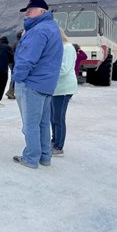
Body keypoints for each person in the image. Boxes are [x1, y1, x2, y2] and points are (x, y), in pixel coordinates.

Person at [12, 0, 63, 169]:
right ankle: (45, 156)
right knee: (42, 122)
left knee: (30, 124)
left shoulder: (38, 31)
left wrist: (17, 78)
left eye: (30, 10)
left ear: (41, 11)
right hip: (47, 84)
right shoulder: (52, 28)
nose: (27, 14)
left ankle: (31, 157)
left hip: (32, 84)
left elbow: (27, 59)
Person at [50, 29, 77, 157]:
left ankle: (59, 146)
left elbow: (64, 68)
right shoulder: (59, 48)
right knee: (52, 117)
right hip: (55, 88)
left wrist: (47, 73)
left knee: (58, 117)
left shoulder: (68, 48)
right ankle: (54, 140)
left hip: (64, 88)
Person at [6, 29, 23, 99]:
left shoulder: (14, 43)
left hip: (11, 62)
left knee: (13, 77)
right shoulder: (19, 43)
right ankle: (11, 92)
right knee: (14, 78)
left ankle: (11, 91)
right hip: (15, 63)